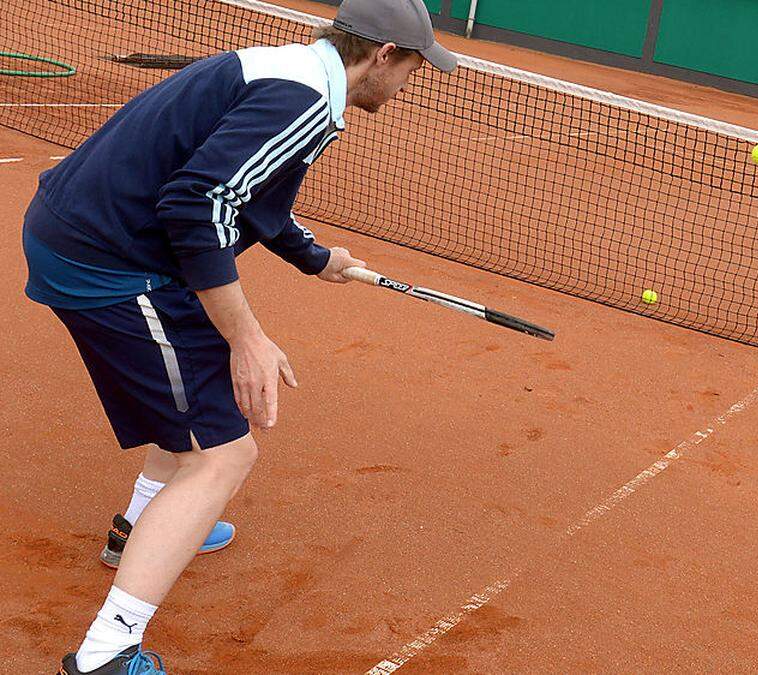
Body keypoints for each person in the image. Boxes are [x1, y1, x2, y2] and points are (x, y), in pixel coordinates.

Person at [21, 0, 457, 672]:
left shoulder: (290, 70)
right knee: (223, 455)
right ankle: (106, 653)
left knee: (197, 381)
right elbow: (197, 203)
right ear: (384, 56)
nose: (408, 86)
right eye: (413, 70)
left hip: (91, 233)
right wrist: (249, 335)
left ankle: (139, 528)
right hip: (107, 262)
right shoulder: (304, 100)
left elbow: (250, 193)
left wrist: (315, 257)